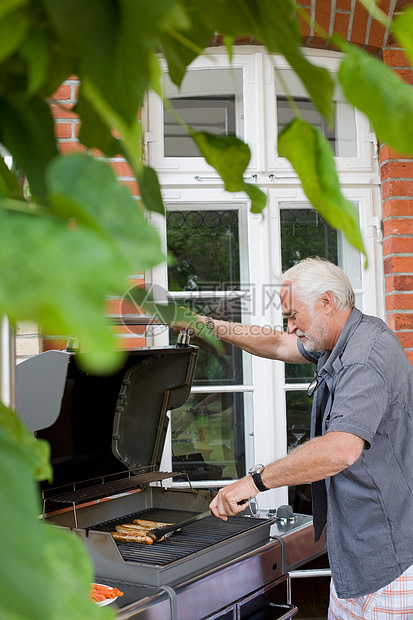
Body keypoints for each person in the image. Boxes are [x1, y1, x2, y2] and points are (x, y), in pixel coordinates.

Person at [182, 257, 413, 619]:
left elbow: (340, 450)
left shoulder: (364, 359)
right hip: (356, 558)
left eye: (293, 315)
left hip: (389, 562)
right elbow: (278, 344)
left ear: (326, 302)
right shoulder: (338, 337)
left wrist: (253, 482)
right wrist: (210, 326)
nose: (289, 325)